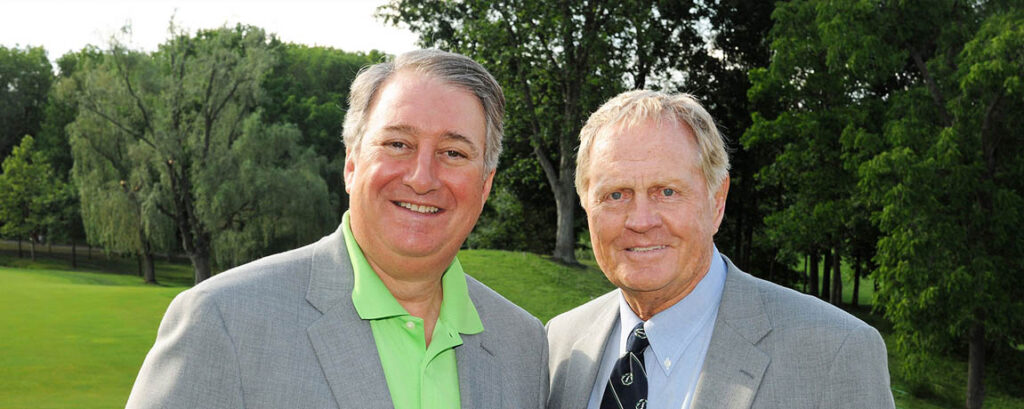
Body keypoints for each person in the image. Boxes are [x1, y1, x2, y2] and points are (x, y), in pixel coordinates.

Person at [127, 49, 548, 409]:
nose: (422, 178)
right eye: (397, 144)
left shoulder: (523, 346)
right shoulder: (223, 320)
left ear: (485, 185)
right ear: (351, 164)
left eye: (453, 152)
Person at [546, 90, 894, 409]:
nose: (641, 220)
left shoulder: (834, 353)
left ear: (717, 201)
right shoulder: (559, 344)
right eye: (616, 195)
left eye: (666, 191)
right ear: (586, 206)